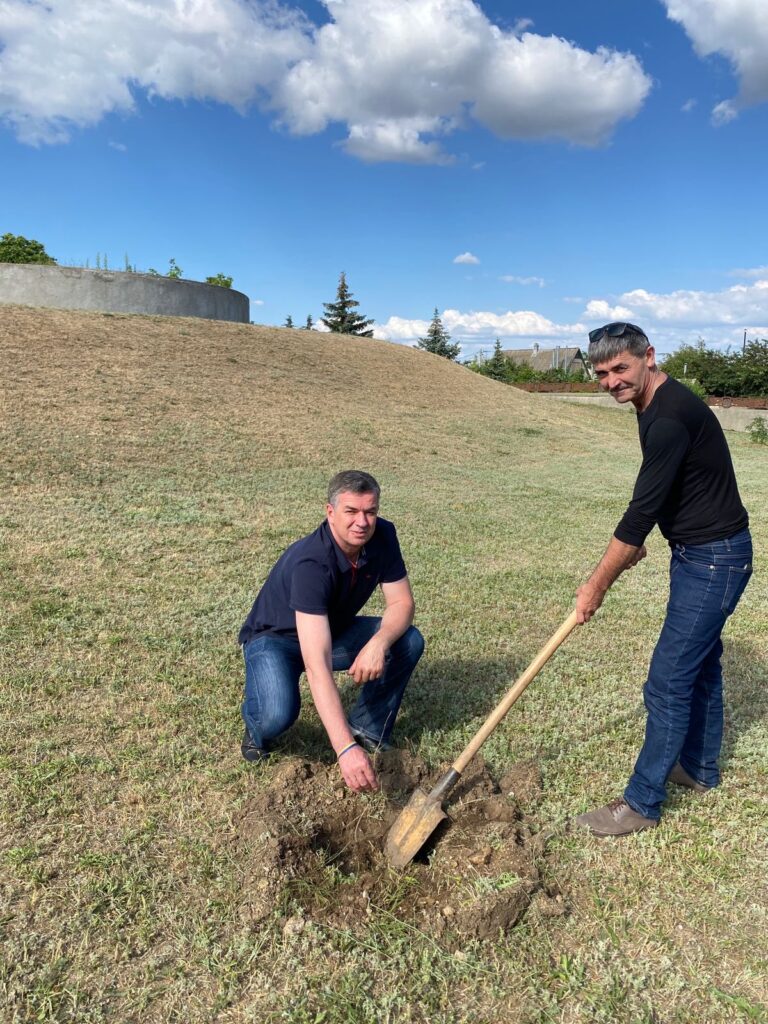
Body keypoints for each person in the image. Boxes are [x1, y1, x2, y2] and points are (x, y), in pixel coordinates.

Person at [574, 323, 752, 837]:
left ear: (648, 356)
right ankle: (698, 768)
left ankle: (641, 802)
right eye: (602, 373)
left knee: (668, 681)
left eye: (621, 368)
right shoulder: (654, 402)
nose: (611, 381)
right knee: (701, 667)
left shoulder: (669, 417)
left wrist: (596, 586)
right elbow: (674, 487)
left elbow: (638, 514)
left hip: (713, 560)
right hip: (704, 553)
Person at [238, 470, 424, 793]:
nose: (362, 522)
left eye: (370, 511)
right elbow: (317, 665)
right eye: (351, 511)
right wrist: (344, 749)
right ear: (330, 512)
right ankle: (256, 728)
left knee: (407, 640)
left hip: (333, 630)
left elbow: (402, 603)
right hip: (275, 640)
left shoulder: (383, 536)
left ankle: (366, 729)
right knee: (276, 715)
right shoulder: (312, 563)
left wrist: (378, 643)